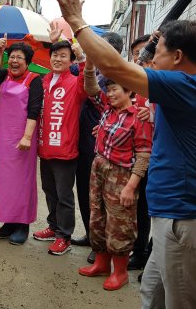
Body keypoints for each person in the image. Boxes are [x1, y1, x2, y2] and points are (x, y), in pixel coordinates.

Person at [51, 0, 196, 308]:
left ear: (178, 57)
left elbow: (116, 67)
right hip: (175, 219)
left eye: (159, 52)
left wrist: (76, 22)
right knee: (151, 297)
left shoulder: (192, 87)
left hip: (189, 222)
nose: (152, 60)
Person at [78, 57, 152, 291]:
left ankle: (119, 273)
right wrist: (89, 63)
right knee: (96, 215)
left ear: (129, 91)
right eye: (108, 90)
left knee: (120, 222)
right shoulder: (107, 110)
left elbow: (143, 154)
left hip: (121, 173)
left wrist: (131, 185)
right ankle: (101, 263)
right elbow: (90, 88)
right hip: (99, 167)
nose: (109, 94)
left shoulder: (138, 117)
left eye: (115, 90)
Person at [35, 36, 87, 256]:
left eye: (63, 55)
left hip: (65, 150)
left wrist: (83, 58)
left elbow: (88, 80)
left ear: (71, 60)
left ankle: (64, 236)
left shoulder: (76, 83)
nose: (57, 59)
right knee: (49, 191)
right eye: (55, 55)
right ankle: (53, 226)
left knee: (64, 195)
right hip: (44, 148)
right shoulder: (44, 81)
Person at [72, 32, 124, 254]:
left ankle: (102, 245)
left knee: (104, 197)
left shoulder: (120, 77)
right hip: (83, 141)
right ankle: (91, 234)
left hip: (106, 147)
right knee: (85, 193)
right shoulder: (89, 71)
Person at [0, 39, 43, 245]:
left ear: (27, 62)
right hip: (3, 139)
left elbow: (34, 109)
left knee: (22, 183)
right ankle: (8, 223)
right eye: (11, 57)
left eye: (19, 58)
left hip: (23, 140)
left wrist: (27, 137)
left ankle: (22, 225)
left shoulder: (34, 80)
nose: (14, 61)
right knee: (4, 182)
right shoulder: (5, 76)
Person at [128, 33, 154, 272]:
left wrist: (154, 114)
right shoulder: (134, 83)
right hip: (136, 155)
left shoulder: (164, 82)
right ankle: (139, 251)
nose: (141, 58)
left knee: (155, 209)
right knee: (140, 207)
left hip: (159, 156)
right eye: (137, 54)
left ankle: (150, 256)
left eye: (145, 52)